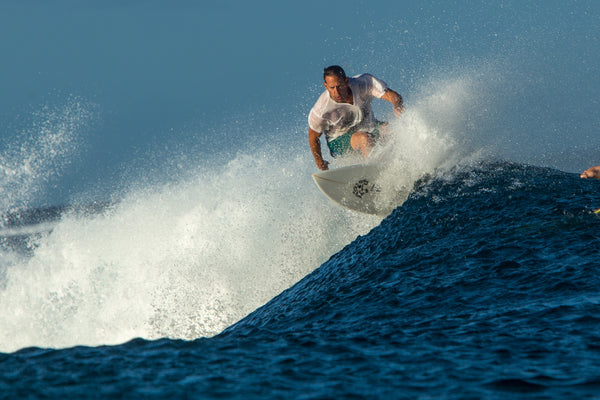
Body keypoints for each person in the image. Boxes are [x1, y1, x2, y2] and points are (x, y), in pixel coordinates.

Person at [308, 65, 404, 170]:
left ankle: (401, 164)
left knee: (392, 129)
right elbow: (313, 136)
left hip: (370, 128)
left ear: (347, 81)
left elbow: (393, 96)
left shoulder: (363, 83)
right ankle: (371, 174)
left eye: (339, 86)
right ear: (326, 86)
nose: (337, 92)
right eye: (332, 88)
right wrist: (319, 161)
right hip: (339, 141)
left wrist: (397, 105)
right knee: (364, 138)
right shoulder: (321, 109)